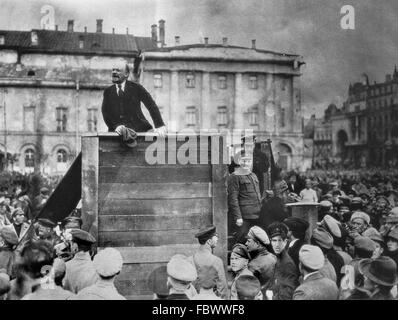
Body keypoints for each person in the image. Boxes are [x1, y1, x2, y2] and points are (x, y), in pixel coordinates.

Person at [101, 62, 166, 136]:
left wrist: (160, 125)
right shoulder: (108, 92)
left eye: (118, 70)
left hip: (139, 130)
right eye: (113, 70)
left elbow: (151, 105)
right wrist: (116, 126)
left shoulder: (137, 88)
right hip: (117, 132)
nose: (114, 72)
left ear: (126, 74)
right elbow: (106, 113)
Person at [227, 150, 262, 244]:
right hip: (244, 217)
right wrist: (238, 217)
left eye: (249, 161)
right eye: (244, 161)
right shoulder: (235, 176)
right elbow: (233, 198)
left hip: (257, 215)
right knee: (241, 241)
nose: (246, 163)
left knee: (255, 242)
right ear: (239, 161)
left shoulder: (253, 175)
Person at [188, 225, 227, 299]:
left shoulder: (190, 259)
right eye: (216, 237)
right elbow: (222, 290)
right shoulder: (216, 261)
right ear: (209, 241)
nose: (217, 239)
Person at [264, 222, 299, 300]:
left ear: (285, 242)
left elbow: (287, 295)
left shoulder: (287, 264)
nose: (277, 244)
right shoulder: (275, 258)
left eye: (280, 240)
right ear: (270, 241)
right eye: (274, 240)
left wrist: (272, 297)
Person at [63, 229, 99, 294]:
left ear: (75, 246)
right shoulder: (97, 268)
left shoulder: (65, 267)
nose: (70, 246)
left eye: (71, 244)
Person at [245, 226, 276, 290]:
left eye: (248, 241)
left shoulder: (253, 265)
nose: (246, 243)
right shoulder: (274, 257)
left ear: (257, 243)